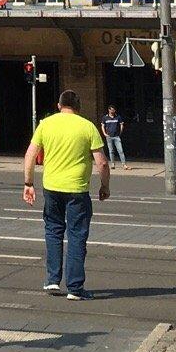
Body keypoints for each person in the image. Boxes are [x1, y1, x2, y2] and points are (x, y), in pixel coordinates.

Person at [22, 89, 110, 300]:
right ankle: (75, 288)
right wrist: (104, 186)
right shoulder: (87, 126)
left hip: (51, 188)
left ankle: (52, 280)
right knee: (77, 236)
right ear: (78, 107)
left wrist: (28, 183)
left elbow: (30, 155)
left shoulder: (46, 124)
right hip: (77, 190)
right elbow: (102, 163)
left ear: (59, 105)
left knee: (53, 231)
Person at [102, 104, 127, 169]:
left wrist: (120, 132)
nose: (113, 111)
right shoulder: (105, 117)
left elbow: (121, 124)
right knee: (111, 151)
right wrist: (104, 133)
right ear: (109, 110)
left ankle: (124, 164)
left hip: (116, 136)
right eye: (112, 110)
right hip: (109, 136)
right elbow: (103, 126)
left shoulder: (118, 117)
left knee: (120, 150)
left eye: (114, 110)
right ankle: (112, 164)